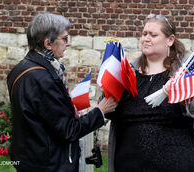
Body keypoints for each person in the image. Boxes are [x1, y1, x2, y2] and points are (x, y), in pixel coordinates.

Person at [105, 14, 194, 172]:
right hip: (129, 163)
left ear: (170, 40)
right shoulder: (127, 71)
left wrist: (185, 94)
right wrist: (111, 92)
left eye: (153, 35)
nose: (146, 38)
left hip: (178, 163)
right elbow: (108, 108)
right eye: (144, 34)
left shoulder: (187, 70)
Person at [7, 13, 117, 172]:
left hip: (29, 159)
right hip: (49, 164)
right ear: (48, 44)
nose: (69, 43)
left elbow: (43, 117)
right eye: (64, 39)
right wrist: (100, 111)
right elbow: (68, 130)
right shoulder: (43, 79)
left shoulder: (20, 69)